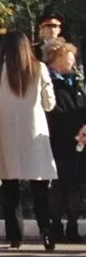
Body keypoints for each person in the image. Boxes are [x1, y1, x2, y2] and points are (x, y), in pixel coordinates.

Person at [0, 31, 58, 251]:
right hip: (33, 131)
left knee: (11, 187)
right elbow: (49, 104)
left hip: (6, 131)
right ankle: (46, 232)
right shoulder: (39, 68)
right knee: (39, 187)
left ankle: (15, 237)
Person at [47, 41, 84, 243]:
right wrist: (73, 131)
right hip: (58, 139)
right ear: (57, 59)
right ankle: (55, 225)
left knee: (74, 184)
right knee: (59, 184)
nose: (72, 61)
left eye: (73, 58)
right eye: (68, 57)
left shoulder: (76, 81)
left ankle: (72, 225)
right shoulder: (50, 81)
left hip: (80, 140)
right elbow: (53, 111)